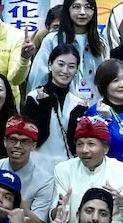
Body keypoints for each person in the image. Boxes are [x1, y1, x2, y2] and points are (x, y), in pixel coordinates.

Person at [66, 59, 123, 188]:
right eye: (115, 80)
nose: (122, 84)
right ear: (104, 85)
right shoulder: (93, 114)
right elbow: (97, 151)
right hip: (109, 182)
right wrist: (107, 121)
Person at [53, 116, 123, 223]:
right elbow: (55, 216)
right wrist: (59, 209)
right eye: (80, 144)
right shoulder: (63, 169)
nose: (84, 150)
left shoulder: (122, 170)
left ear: (105, 148)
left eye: (91, 144)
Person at [0, 116, 54, 223]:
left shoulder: (45, 180)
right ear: (5, 142)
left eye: (24, 141)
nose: (17, 145)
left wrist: (16, 200)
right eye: (13, 139)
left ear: (33, 145)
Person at [29, 0, 107, 100]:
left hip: (94, 109)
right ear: (67, 10)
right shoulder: (53, 40)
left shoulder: (101, 43)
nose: (82, 12)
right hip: (60, 109)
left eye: (88, 7)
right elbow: (38, 79)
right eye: (76, 7)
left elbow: (107, 79)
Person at [22, 43, 85, 171]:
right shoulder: (34, 97)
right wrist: (45, 107)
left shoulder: (77, 103)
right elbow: (35, 140)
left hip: (69, 170)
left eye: (71, 66)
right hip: (37, 168)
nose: (65, 71)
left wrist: (75, 117)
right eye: (60, 64)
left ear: (77, 70)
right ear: (50, 65)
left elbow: (75, 146)